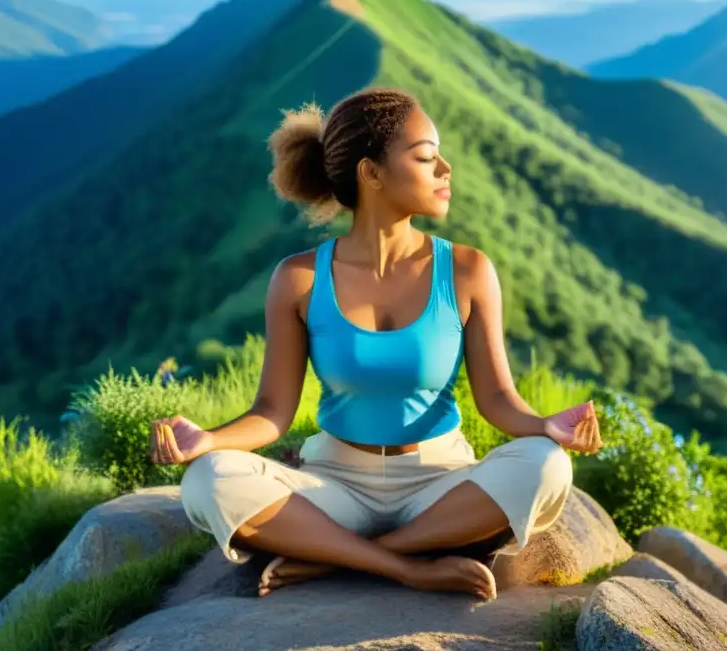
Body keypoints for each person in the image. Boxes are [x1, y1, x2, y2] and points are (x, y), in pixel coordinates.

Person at [149, 87, 603, 601]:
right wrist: (207, 441)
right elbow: (273, 412)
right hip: (335, 485)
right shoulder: (298, 278)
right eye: (427, 157)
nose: (446, 169)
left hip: (440, 484)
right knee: (207, 480)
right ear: (372, 174)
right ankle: (407, 565)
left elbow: (498, 401)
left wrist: (547, 426)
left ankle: (338, 556)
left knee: (547, 465)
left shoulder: (468, 271)